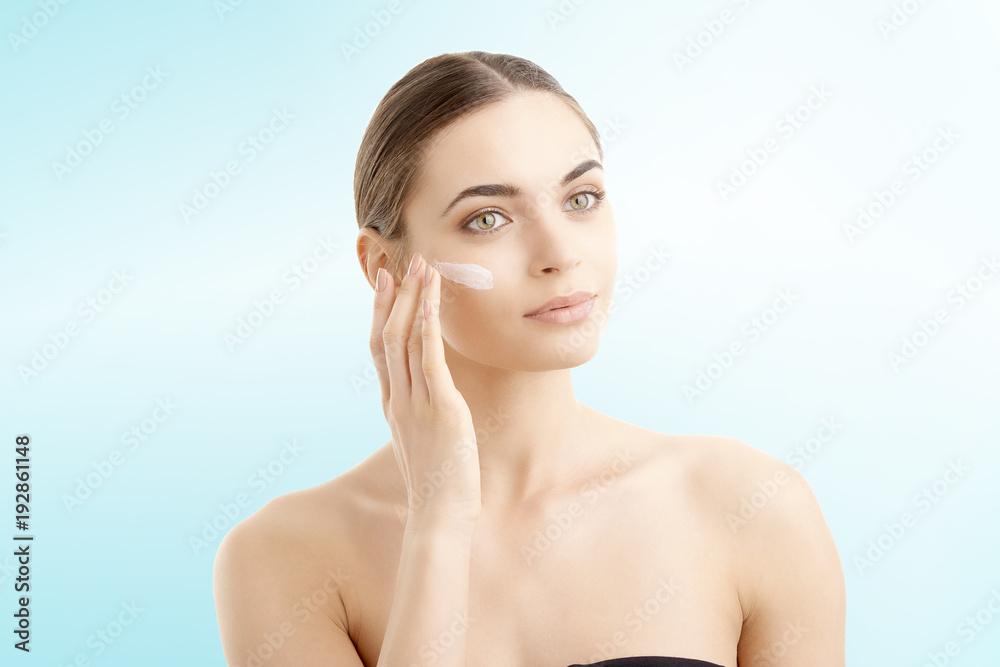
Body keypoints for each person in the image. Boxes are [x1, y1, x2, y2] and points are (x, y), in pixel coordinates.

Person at [213, 50, 846, 667]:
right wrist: (439, 519)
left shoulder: (749, 507)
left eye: (581, 199)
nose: (559, 253)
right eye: (488, 218)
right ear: (384, 265)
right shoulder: (282, 558)